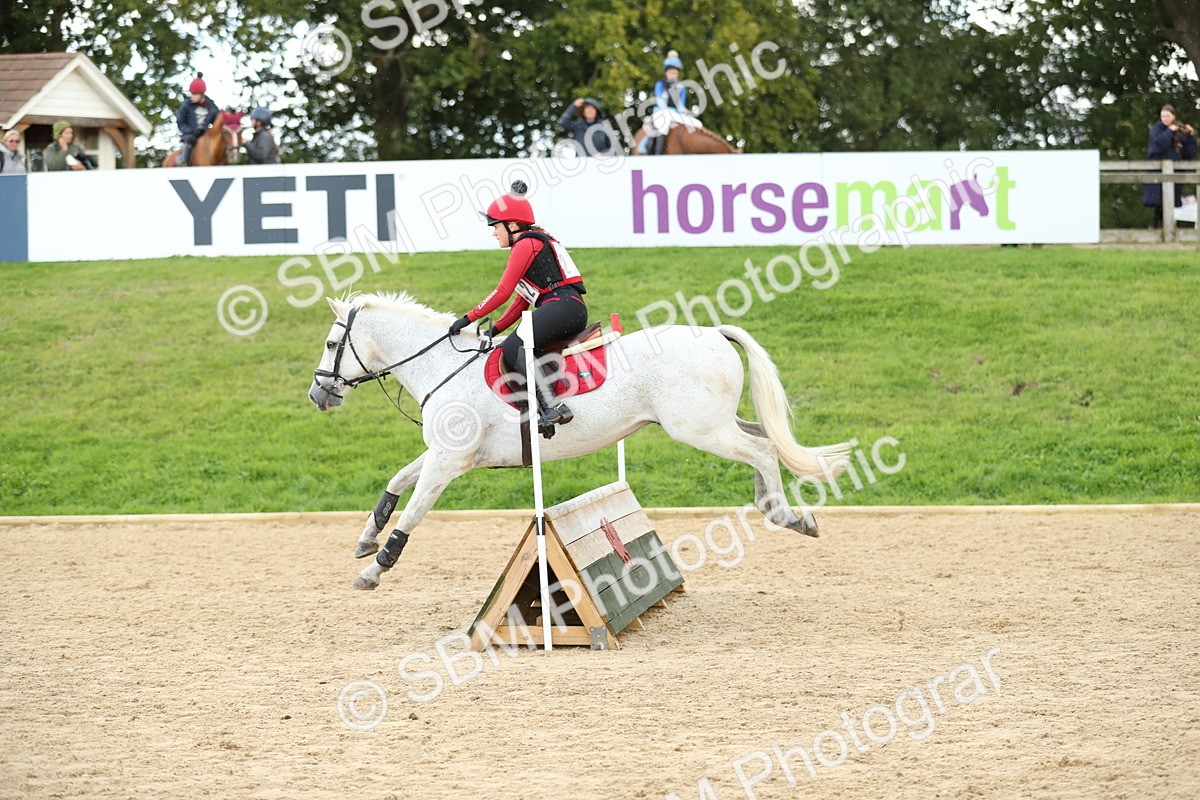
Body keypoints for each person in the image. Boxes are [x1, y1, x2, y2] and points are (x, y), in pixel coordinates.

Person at [448, 181, 588, 438]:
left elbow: (503, 291)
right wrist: (496, 328)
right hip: (565, 306)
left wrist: (467, 318)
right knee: (514, 342)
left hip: (563, 306)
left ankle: (551, 405)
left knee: (514, 346)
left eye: (495, 226)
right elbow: (520, 301)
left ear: (512, 225)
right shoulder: (528, 244)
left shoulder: (526, 245)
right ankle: (545, 407)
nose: (493, 233)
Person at [1144, 104, 1197, 228]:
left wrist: (1190, 136)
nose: (1165, 119)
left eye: (1167, 116)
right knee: (1160, 201)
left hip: (1176, 171)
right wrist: (1169, 131)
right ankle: (1157, 226)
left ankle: (1166, 228)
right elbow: (1159, 144)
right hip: (1159, 171)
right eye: (1163, 116)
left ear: (1173, 116)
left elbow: (1189, 152)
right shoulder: (1156, 129)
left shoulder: (1179, 130)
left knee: (1172, 201)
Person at [637, 51, 695, 155]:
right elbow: (660, 101)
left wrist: (683, 113)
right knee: (662, 124)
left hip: (676, 113)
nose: (673, 75)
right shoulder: (660, 85)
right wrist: (666, 111)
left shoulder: (681, 87)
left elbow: (681, 104)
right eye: (671, 73)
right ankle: (656, 152)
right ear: (666, 73)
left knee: (694, 124)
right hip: (661, 111)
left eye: (675, 73)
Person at [175, 74, 219, 167]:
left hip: (205, 134)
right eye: (192, 94)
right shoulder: (186, 105)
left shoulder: (211, 105)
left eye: (195, 94)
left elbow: (216, 120)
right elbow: (180, 122)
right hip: (190, 134)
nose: (192, 96)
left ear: (202, 94)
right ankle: (183, 162)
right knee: (188, 140)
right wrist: (192, 130)